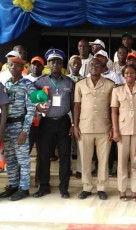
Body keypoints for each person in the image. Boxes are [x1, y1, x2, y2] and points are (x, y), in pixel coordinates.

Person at [33, 48, 74, 199]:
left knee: (64, 156)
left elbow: (73, 105)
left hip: (64, 122)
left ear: (62, 64)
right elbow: (34, 104)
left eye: (58, 61)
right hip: (46, 123)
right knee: (44, 155)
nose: (55, 64)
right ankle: (44, 186)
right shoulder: (40, 82)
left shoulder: (69, 82)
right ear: (48, 64)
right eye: (52, 61)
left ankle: (64, 188)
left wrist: (73, 124)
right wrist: (37, 106)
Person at [74, 58, 114, 200]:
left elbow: (113, 108)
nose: (94, 67)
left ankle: (102, 188)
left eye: (97, 65)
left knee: (103, 160)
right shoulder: (80, 84)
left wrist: (113, 128)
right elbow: (77, 106)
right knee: (85, 160)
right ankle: (87, 187)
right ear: (88, 67)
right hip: (84, 127)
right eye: (92, 65)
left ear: (102, 68)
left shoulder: (110, 85)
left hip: (104, 128)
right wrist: (75, 125)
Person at [111, 64, 136, 201]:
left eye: (132, 73)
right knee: (122, 162)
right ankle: (122, 191)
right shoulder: (117, 91)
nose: (129, 76)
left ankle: (134, 190)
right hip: (122, 130)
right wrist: (115, 130)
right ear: (123, 75)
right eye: (126, 73)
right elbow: (114, 111)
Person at [0, 56, 35, 201]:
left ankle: (24, 188)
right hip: (7, 126)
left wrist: (25, 131)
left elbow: (32, 109)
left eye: (16, 66)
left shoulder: (28, 85)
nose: (13, 68)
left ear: (22, 68)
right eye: (10, 65)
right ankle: (13, 185)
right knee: (10, 159)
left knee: (23, 159)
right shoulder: (6, 84)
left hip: (20, 125)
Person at [25, 56, 45, 185]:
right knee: (25, 151)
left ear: (43, 67)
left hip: (44, 120)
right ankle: (23, 181)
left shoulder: (46, 80)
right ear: (30, 66)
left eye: (39, 65)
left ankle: (39, 179)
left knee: (42, 153)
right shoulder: (24, 80)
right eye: (34, 64)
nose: (36, 67)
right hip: (29, 120)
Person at [67, 55, 84, 179]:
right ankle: (67, 168)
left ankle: (80, 169)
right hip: (66, 116)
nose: (76, 64)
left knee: (81, 143)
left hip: (81, 115)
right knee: (66, 144)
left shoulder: (85, 80)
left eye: (78, 62)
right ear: (69, 64)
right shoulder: (65, 79)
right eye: (74, 62)